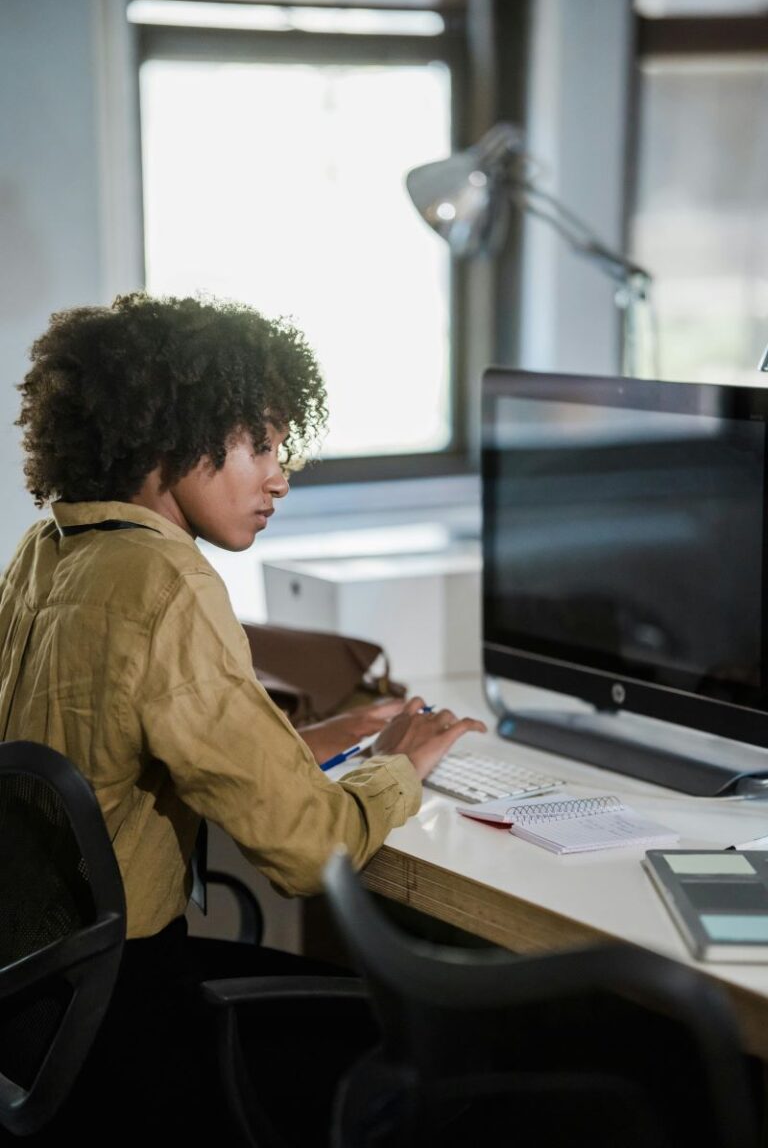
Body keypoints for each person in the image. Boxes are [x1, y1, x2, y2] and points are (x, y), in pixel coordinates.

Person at [0, 291, 486, 1143]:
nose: (280, 476)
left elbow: (129, 741)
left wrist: (334, 736)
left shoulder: (50, 554)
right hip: (127, 1018)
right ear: (168, 437)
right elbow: (306, 852)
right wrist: (401, 766)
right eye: (257, 442)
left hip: (35, 1001)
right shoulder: (168, 580)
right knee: (422, 1040)